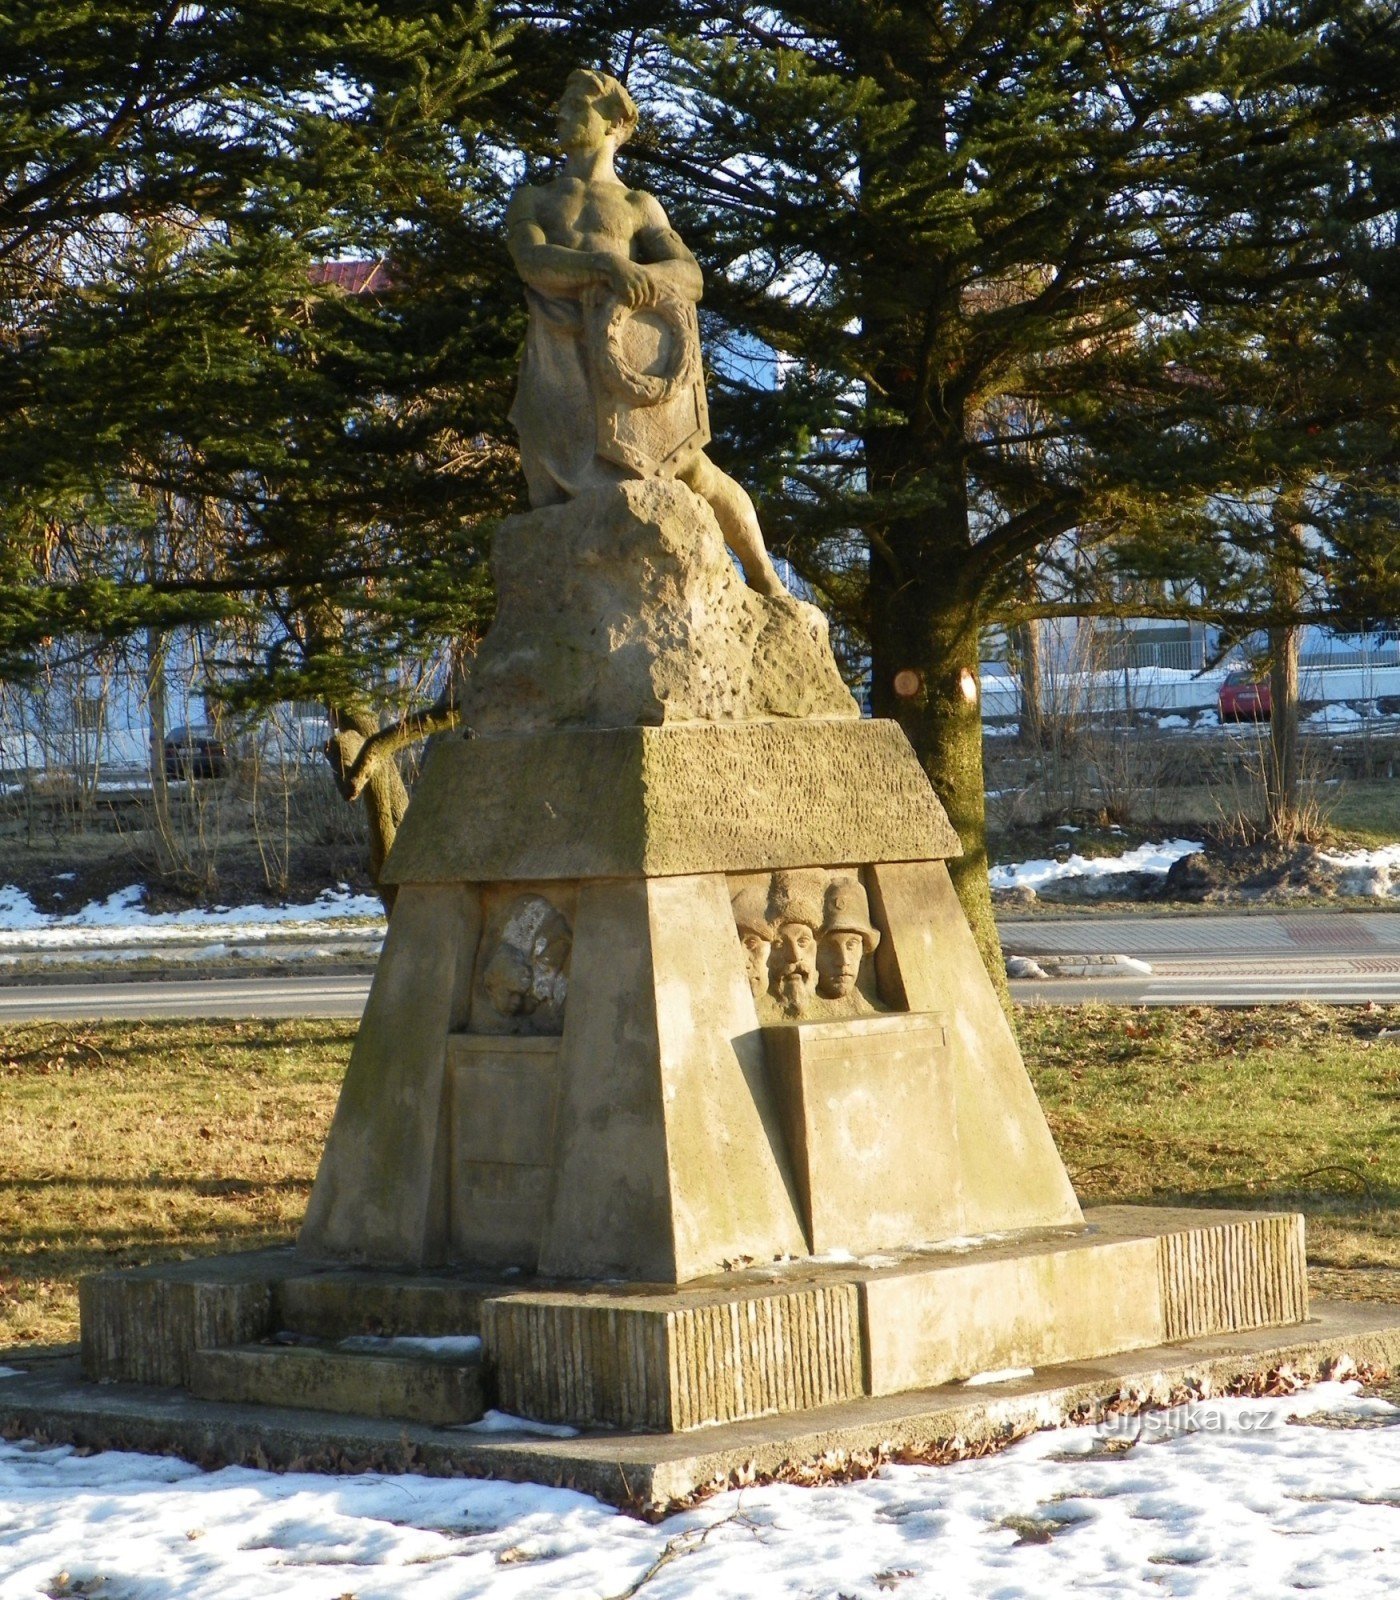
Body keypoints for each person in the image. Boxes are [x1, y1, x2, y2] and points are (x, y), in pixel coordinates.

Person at [506, 69, 788, 598]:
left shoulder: (639, 207)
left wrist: (641, 277)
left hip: (631, 387)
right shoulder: (534, 200)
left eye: (574, 106)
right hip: (560, 368)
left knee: (698, 474)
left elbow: (691, 277)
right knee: (550, 501)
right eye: (563, 105)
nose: (560, 115)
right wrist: (608, 268)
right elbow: (530, 260)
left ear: (612, 120)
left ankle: (762, 571)